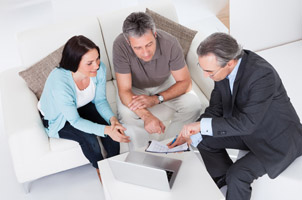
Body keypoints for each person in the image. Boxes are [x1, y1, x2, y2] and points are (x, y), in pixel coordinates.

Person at [168, 32, 302, 200]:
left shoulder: (262, 75)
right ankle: (226, 188)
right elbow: (216, 108)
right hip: (247, 130)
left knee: (238, 175)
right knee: (202, 139)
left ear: (230, 63)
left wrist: (200, 126)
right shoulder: (221, 70)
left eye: (209, 71)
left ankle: (233, 186)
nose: (205, 75)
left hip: (277, 138)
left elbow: (247, 124)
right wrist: (193, 131)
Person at [38, 35, 130, 181]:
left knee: (111, 127)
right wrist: (107, 130)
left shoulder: (99, 70)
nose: (97, 65)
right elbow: (74, 121)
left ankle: (114, 164)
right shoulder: (60, 83)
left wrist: (113, 120)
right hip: (58, 118)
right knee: (89, 138)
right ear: (75, 62)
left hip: (81, 105)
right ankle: (101, 168)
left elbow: (100, 101)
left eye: (97, 58)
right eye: (90, 63)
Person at [112, 12, 201, 150]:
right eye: (138, 48)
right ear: (128, 42)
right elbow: (124, 90)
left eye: (149, 44)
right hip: (134, 87)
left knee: (193, 104)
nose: (146, 53)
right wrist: (146, 116)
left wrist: (156, 99)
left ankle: (168, 146)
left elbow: (185, 82)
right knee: (126, 114)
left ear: (155, 34)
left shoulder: (170, 42)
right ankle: (145, 151)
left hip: (165, 83)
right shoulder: (119, 45)